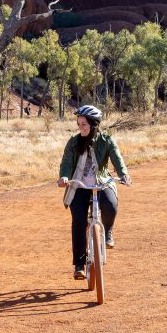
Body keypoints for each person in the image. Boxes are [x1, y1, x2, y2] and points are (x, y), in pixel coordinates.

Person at [57, 105, 132, 280]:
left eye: (84, 124)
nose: (80, 127)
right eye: (79, 124)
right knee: (79, 222)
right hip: (79, 185)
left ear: (94, 124)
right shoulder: (74, 142)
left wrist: (124, 175)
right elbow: (66, 162)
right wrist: (64, 177)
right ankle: (79, 265)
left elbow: (117, 158)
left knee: (111, 206)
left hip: (101, 183)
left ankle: (108, 231)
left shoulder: (106, 140)